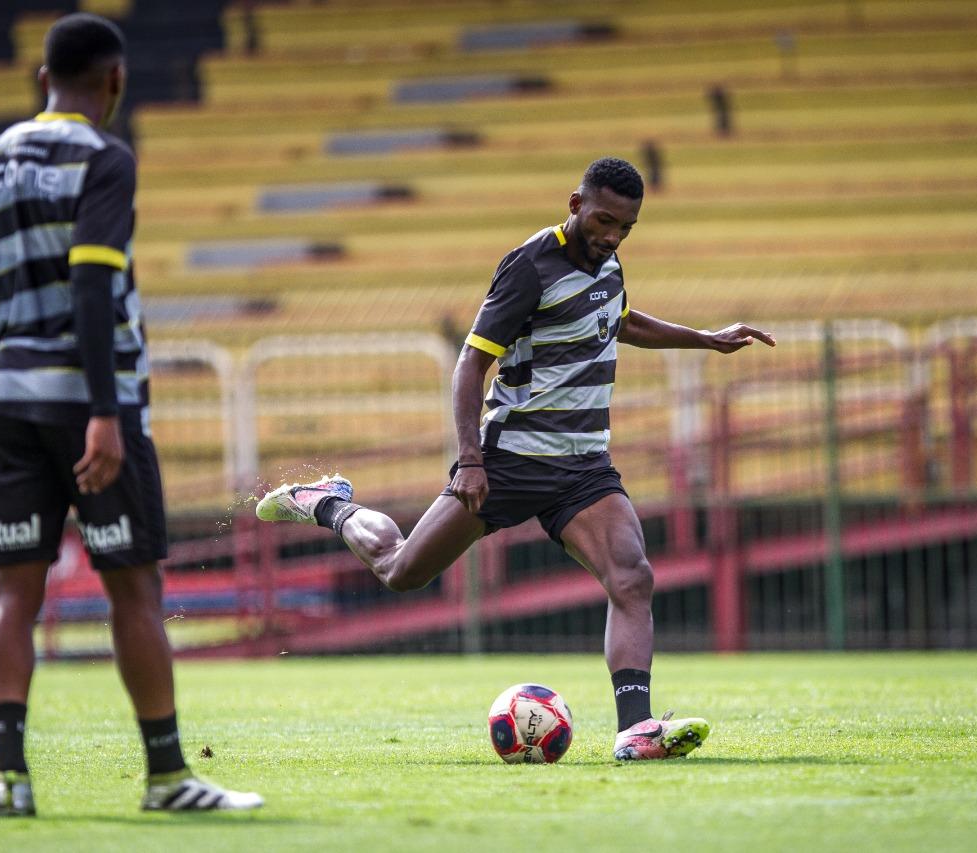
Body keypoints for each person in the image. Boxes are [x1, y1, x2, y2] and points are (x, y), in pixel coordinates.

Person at [257, 157, 775, 761]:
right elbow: (470, 365)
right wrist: (471, 460)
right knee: (401, 572)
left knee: (632, 576)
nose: (612, 236)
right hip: (509, 459)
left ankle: (635, 730)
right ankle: (329, 504)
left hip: (582, 467)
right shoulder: (529, 266)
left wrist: (704, 338)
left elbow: (618, 321)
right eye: (604, 220)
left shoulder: (606, 259)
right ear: (576, 202)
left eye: (625, 228)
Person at [0, 13, 262, 816]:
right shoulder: (105, 157)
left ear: (44, 79)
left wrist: (21, 326)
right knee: (134, 590)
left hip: (5, 398)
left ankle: (9, 782)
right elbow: (90, 282)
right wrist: (105, 414)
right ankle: (167, 777)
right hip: (89, 403)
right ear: (114, 80)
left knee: (14, 594)